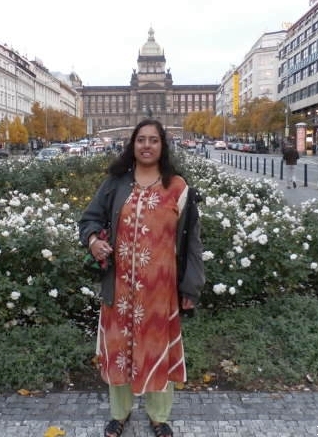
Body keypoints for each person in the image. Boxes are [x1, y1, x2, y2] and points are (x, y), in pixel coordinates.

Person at [79, 119, 205, 437]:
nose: (146, 145)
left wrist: (191, 286)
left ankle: (159, 416)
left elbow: (192, 242)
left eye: (153, 140)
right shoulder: (115, 183)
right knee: (119, 350)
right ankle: (119, 414)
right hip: (119, 288)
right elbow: (89, 219)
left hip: (160, 291)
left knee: (155, 347)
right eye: (141, 140)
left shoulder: (178, 187)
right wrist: (94, 241)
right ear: (132, 145)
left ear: (162, 146)